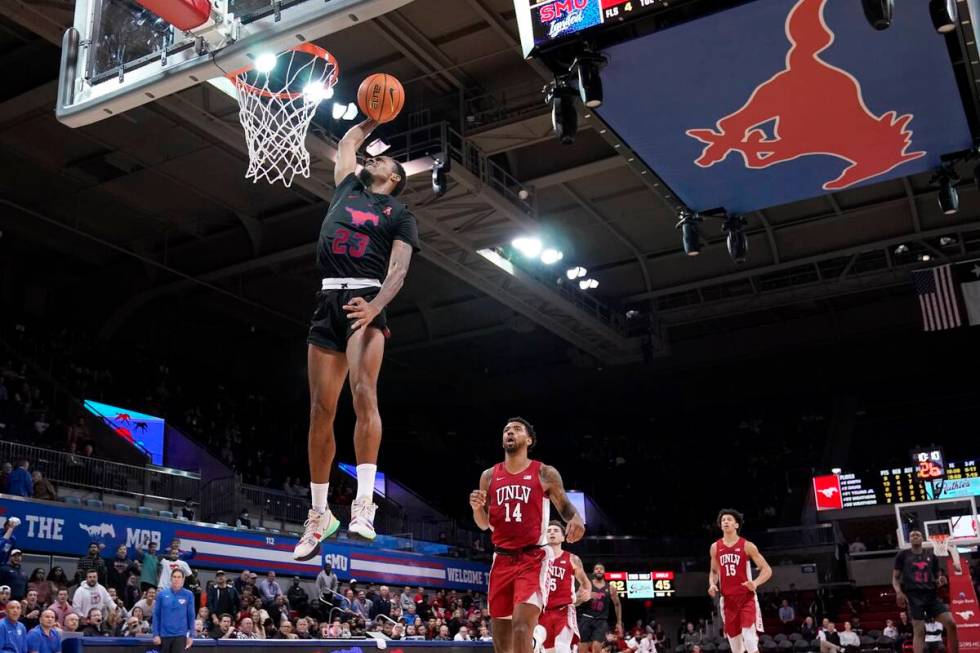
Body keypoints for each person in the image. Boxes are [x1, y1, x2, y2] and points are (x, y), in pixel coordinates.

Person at [293, 117, 420, 560]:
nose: (373, 159)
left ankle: (363, 505)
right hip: (327, 299)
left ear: (394, 177)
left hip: (365, 299)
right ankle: (319, 514)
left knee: (364, 393)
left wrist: (376, 307)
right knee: (319, 411)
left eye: (382, 159)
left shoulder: (400, 214)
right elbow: (349, 141)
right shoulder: (347, 186)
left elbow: (399, 270)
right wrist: (372, 117)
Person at [469, 417, 586, 653]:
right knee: (502, 645)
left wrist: (577, 520)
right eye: (506, 430)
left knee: (522, 628)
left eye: (516, 429)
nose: (510, 432)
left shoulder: (544, 472)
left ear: (528, 439)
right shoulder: (489, 476)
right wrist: (476, 508)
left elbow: (564, 507)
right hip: (501, 560)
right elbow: (483, 524)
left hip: (532, 559)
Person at [708, 509, 773, 653]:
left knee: (749, 639)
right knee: (736, 647)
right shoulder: (715, 547)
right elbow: (714, 571)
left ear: (736, 525)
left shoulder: (747, 545)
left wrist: (755, 583)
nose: (725, 521)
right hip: (728, 601)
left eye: (729, 519)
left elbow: (767, 569)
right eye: (723, 520)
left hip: (746, 598)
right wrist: (712, 584)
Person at [892, 530, 960, 653]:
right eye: (912, 535)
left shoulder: (931, 556)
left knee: (951, 624)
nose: (915, 536)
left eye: (918, 535)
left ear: (922, 538)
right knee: (919, 631)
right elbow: (896, 577)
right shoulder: (902, 555)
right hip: (914, 596)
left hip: (931, 595)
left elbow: (938, 577)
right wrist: (898, 592)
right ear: (909, 539)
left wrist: (941, 580)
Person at [539, 521, 591, 653]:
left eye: (556, 530)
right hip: (542, 612)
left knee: (562, 648)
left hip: (564, 610)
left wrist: (587, 592)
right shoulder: (537, 559)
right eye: (549, 530)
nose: (551, 532)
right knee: (546, 651)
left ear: (563, 537)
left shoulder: (572, 558)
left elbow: (585, 582)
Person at [578, 562, 622, 653]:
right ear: (594, 572)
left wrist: (619, 622)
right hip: (586, 618)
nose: (599, 570)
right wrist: (587, 596)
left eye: (601, 569)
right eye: (596, 569)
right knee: (582, 650)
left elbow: (617, 605)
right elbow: (576, 602)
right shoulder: (586, 585)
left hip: (601, 621)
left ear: (604, 572)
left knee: (597, 649)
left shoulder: (611, 588)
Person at [152, 569, 195, 653]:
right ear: (171, 578)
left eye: (179, 577)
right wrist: (155, 634)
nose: (176, 579)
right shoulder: (162, 594)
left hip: (180, 635)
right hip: (164, 635)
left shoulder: (189, 595)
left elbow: (191, 615)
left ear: (183, 579)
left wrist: (191, 635)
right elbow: (156, 615)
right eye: (174, 577)